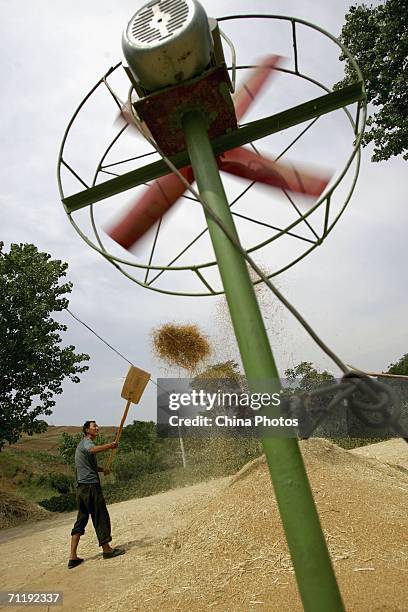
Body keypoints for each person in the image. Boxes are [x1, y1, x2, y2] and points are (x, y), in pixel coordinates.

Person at [68, 420, 125, 568]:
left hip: (81, 489)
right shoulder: (87, 442)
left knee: (81, 519)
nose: (97, 428)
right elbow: (92, 450)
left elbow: (88, 465)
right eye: (94, 426)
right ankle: (107, 550)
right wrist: (110, 446)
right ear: (87, 430)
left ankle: (72, 557)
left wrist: (102, 470)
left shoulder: (82, 445)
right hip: (90, 487)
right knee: (100, 515)